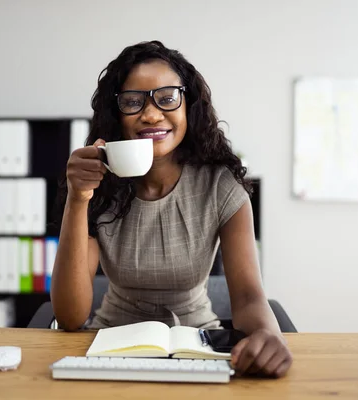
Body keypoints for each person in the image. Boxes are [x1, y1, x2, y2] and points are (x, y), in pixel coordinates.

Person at [51, 40, 292, 378]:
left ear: (188, 106)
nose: (150, 114)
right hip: (109, 345)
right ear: (116, 115)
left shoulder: (221, 186)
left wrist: (268, 335)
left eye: (166, 98)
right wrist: (78, 197)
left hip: (198, 344)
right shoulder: (97, 184)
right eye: (133, 102)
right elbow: (70, 316)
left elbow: (250, 296)